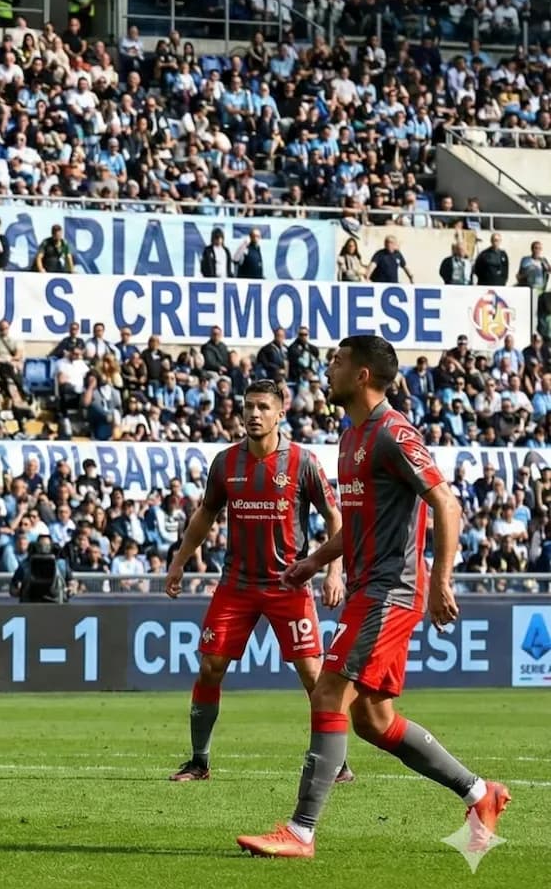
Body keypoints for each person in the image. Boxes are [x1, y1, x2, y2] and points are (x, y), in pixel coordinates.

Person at [237, 336, 509, 858]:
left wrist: (442, 580)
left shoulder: (393, 433)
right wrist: (316, 560)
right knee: (373, 719)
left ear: (362, 375)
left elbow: (446, 504)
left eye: (338, 361)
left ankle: (300, 831)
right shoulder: (349, 438)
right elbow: (359, 523)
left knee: (327, 693)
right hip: (368, 586)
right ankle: (481, 794)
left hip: (391, 591)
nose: (329, 368)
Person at [164, 380, 349, 784]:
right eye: (248, 406)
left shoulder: (302, 462)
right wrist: (179, 561)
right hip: (237, 585)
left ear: (280, 413)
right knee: (210, 666)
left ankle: (336, 761)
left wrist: (334, 571)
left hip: (288, 585)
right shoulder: (225, 463)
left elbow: (336, 517)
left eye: (263, 407)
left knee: (312, 675)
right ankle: (199, 761)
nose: (253, 414)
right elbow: (204, 515)